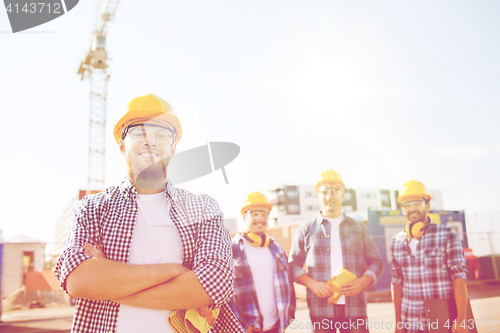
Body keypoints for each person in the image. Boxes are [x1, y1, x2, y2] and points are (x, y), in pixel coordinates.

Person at [54, 94, 244, 333]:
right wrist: (173, 270)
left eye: (162, 134)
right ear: (122, 144)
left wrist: (108, 286)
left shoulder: (203, 208)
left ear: (173, 147)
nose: (150, 141)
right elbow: (78, 280)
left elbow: (215, 285)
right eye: (138, 133)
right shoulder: (93, 208)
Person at [288, 170, 384, 333]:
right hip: (321, 308)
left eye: (335, 190)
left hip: (355, 308)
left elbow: (377, 262)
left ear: (343, 194)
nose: (329, 196)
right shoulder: (305, 229)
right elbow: (292, 265)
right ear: (318, 195)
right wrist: (313, 284)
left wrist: (363, 281)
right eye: (325, 191)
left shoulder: (359, 228)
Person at [390, 180, 469, 333]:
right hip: (410, 321)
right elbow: (397, 282)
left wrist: (462, 319)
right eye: (407, 204)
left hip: (442, 320)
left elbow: (459, 277)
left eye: (417, 202)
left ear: (427, 205)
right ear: (402, 208)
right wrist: (398, 321)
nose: (412, 208)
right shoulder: (396, 242)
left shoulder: (446, 234)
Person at [230, 192, 296, 333]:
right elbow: (221, 296)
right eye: (254, 214)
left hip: (276, 327)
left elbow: (289, 285)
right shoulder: (231, 250)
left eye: (264, 214)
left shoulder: (277, 249)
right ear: (244, 216)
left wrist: (288, 316)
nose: (260, 218)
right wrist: (241, 325)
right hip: (246, 330)